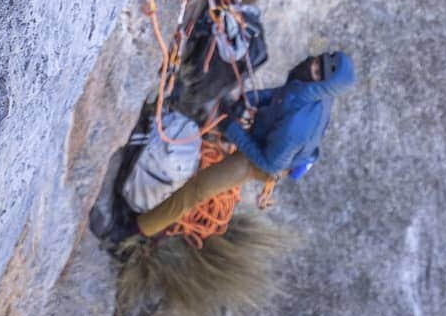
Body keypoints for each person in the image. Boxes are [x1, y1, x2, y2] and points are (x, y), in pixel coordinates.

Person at [129, 50, 356, 240]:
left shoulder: (297, 127)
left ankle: (140, 229)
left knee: (198, 189)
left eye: (316, 71)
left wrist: (232, 129)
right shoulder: (312, 90)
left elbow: (269, 164)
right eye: (315, 61)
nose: (311, 66)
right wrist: (250, 99)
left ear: (324, 85)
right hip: (270, 137)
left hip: (263, 161)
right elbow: (282, 95)